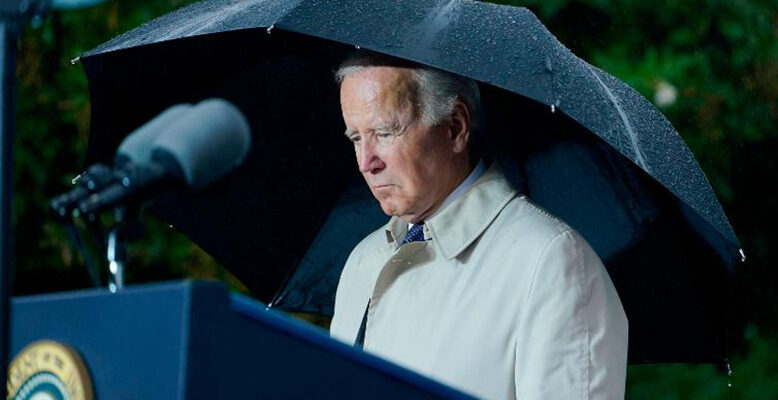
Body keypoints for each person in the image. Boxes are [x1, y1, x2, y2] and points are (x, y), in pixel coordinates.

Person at [329, 52, 628, 400]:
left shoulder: (550, 261)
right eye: (355, 138)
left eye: (384, 132)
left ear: (455, 126)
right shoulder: (363, 260)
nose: (367, 162)